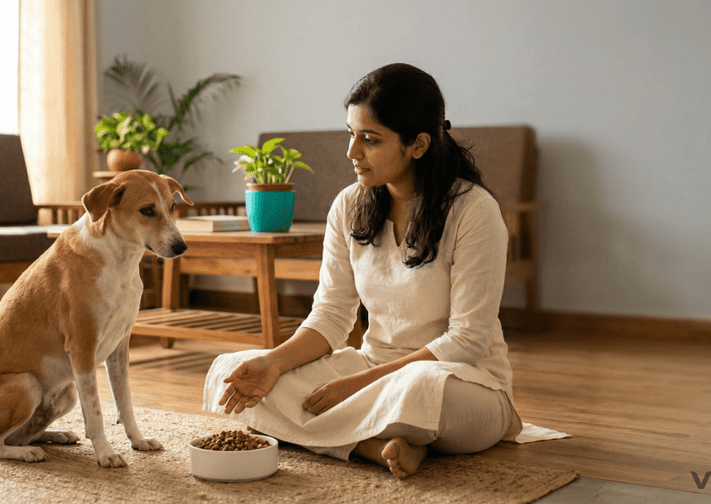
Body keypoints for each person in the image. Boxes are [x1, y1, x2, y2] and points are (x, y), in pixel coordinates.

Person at [203, 63, 522, 479]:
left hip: (463, 384)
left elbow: (466, 340)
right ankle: (375, 447)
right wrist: (275, 364)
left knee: (419, 388)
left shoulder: (474, 211)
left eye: (370, 140)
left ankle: (348, 435)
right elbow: (332, 316)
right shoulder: (350, 205)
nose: (352, 152)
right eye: (350, 135)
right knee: (235, 371)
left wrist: (357, 385)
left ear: (419, 144)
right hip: (373, 367)